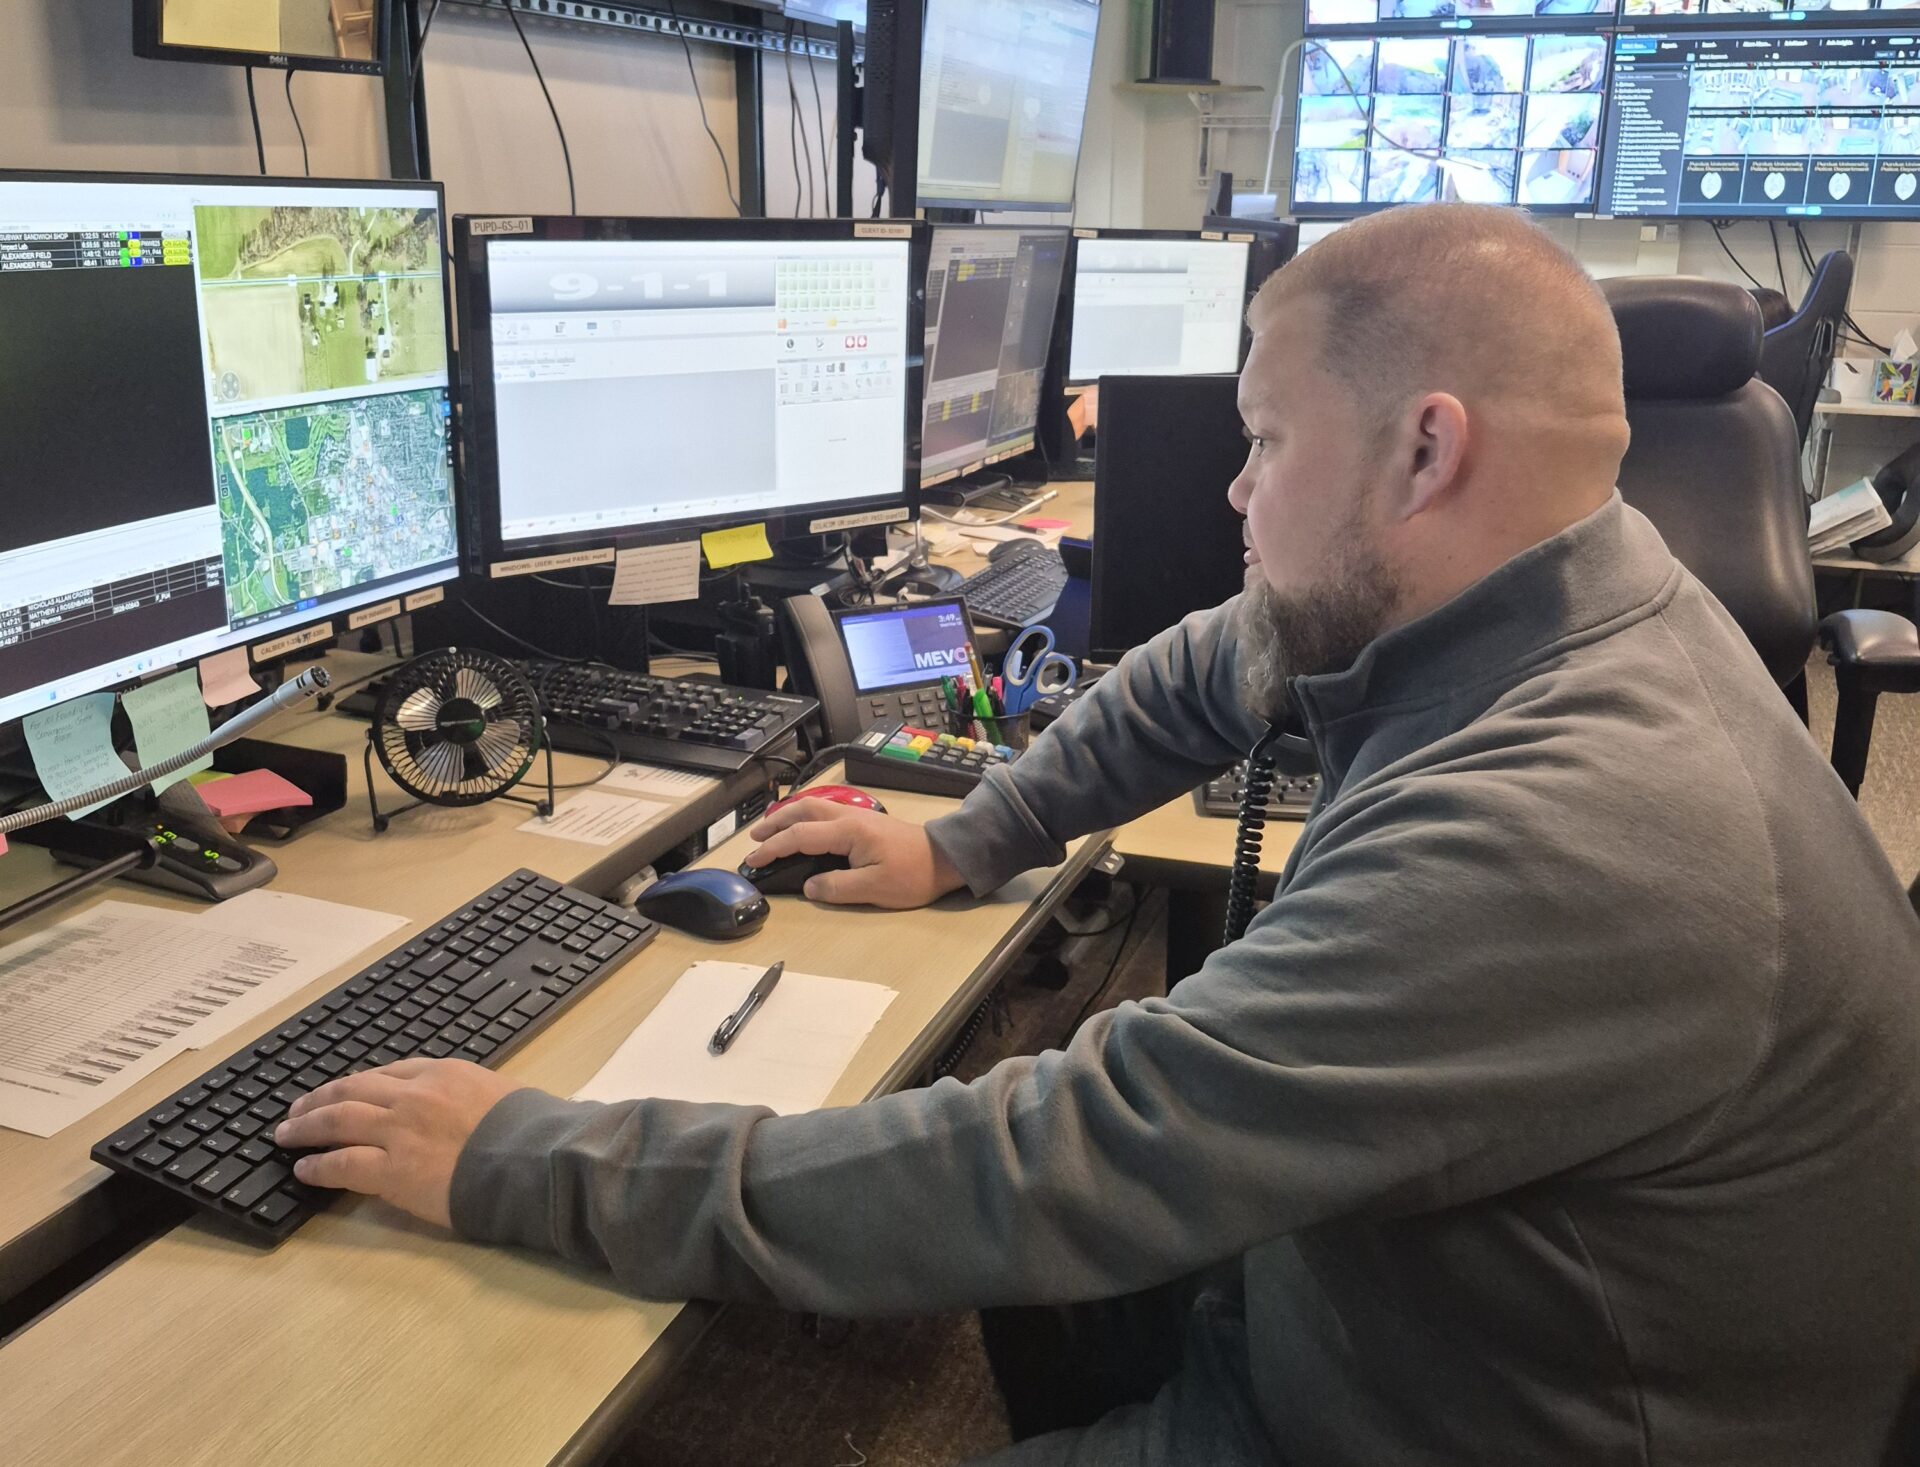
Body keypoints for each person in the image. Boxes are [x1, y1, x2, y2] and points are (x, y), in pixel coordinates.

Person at [274, 205, 1920, 1465]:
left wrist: (527, 1159)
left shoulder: (1572, 832)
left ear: (1426, 450)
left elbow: (1060, 1161)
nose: (1235, 493)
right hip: (1403, 1319)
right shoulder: (1566, 590)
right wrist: (967, 840)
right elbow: (1223, 659)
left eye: (1265, 442)